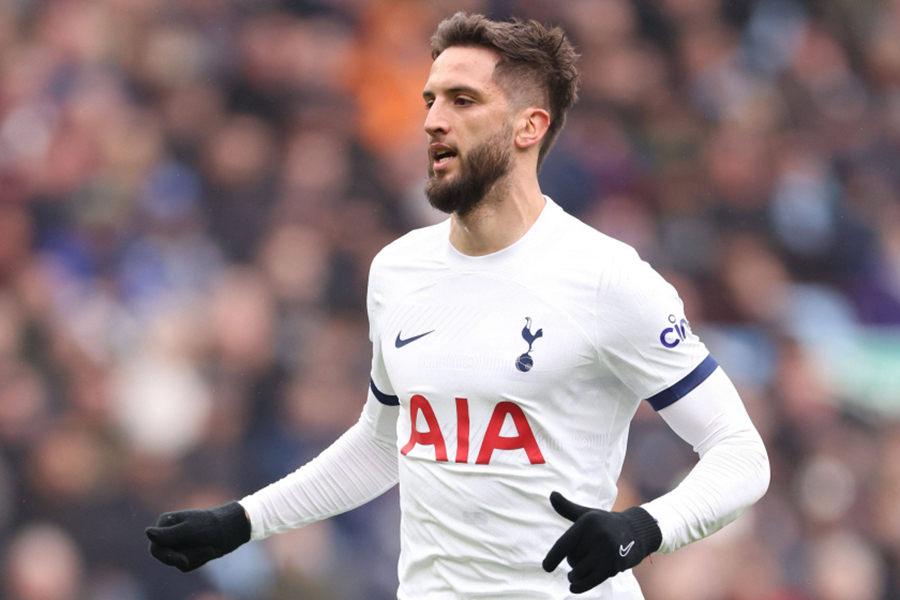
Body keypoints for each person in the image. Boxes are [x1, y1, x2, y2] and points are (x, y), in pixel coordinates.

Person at [146, 13, 770, 599]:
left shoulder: (607, 279)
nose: (432, 121)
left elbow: (741, 453)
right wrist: (241, 521)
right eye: (431, 100)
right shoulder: (397, 271)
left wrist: (646, 526)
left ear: (529, 126)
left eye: (462, 101)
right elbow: (384, 443)